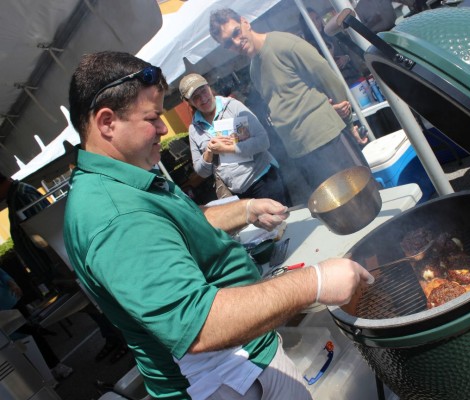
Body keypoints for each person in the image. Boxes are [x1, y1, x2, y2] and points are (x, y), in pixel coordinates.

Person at [64, 50, 373, 399]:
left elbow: (181, 226)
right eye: (152, 117)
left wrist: (246, 209)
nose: (164, 129)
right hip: (227, 380)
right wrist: (314, 282)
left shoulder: (123, 181)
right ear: (107, 122)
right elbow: (198, 326)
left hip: (243, 363)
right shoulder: (115, 215)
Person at [209, 8, 370, 195]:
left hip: (328, 139)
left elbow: (327, 76)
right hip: (299, 153)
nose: (236, 42)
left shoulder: (283, 43)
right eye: (228, 43)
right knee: (335, 208)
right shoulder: (254, 69)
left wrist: (349, 123)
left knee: (361, 194)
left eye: (236, 32)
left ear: (245, 22)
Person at [0, 173, 128, 364]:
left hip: (59, 263)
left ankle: (123, 340)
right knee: (89, 306)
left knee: (95, 303)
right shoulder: (15, 198)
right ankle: (112, 337)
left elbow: (45, 230)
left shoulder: (22, 195)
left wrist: (55, 265)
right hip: (54, 265)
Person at [179, 73, 290, 205]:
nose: (203, 98)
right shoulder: (194, 129)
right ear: (188, 102)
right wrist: (209, 151)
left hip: (264, 180)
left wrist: (228, 148)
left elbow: (263, 141)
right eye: (195, 97)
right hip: (238, 194)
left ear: (209, 87)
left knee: (283, 220)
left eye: (203, 91)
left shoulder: (232, 107)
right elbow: (202, 172)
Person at [0, 267, 73, 382]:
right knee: (15, 346)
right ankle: (41, 376)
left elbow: (3, 275)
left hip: (13, 304)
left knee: (35, 335)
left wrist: (13, 284)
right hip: (2, 316)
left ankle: (56, 366)